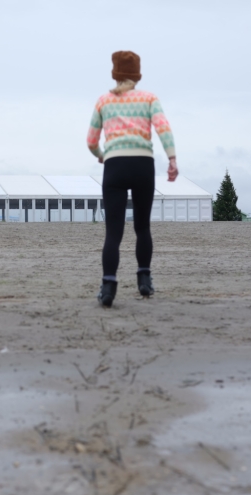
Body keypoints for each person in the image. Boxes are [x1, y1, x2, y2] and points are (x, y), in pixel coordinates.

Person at [86, 50, 178, 307]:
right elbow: (163, 128)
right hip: (142, 164)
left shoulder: (103, 101)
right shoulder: (149, 98)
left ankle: (108, 286)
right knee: (142, 227)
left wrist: (102, 155)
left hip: (115, 164)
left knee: (113, 232)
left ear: (114, 74)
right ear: (137, 75)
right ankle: (144, 279)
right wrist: (172, 158)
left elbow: (91, 140)